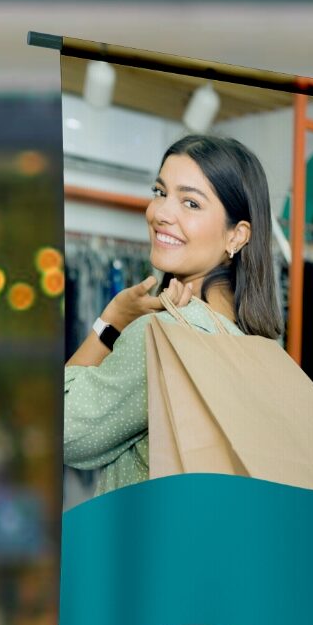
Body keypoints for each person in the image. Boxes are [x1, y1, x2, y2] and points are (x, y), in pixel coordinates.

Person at [64, 134, 283, 496]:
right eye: (160, 192)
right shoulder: (260, 348)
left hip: (149, 549)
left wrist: (112, 322)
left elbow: (65, 432)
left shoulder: (162, 336)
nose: (161, 213)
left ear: (237, 235)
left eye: (191, 203)